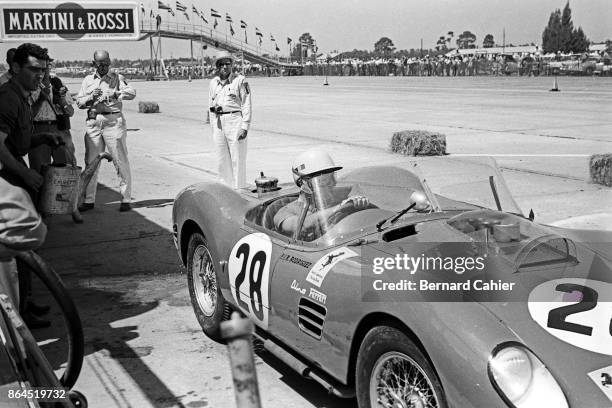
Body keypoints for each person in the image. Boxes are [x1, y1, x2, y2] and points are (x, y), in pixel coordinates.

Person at [0, 43, 62, 329]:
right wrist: (25, 177)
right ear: (15, 68)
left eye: (43, 69)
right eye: (33, 69)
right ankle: (17, 314)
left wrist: (44, 138)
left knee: (24, 250)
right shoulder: (8, 99)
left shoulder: (23, 97)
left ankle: (25, 303)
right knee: (16, 249)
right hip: (7, 179)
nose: (40, 74)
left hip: (15, 173)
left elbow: (18, 142)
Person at [76, 50, 136, 212]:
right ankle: (88, 200)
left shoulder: (117, 78)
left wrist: (115, 93)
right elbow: (79, 102)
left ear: (109, 63)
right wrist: (90, 97)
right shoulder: (88, 80)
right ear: (94, 63)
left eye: (105, 64)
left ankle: (125, 198)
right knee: (91, 162)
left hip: (113, 121)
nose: (102, 67)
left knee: (119, 160)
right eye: (99, 64)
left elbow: (131, 93)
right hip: (94, 122)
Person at [274, 149, 370, 239]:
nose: (332, 183)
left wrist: (359, 203)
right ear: (304, 183)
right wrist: (338, 208)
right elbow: (301, 226)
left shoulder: (339, 200)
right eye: (324, 180)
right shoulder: (285, 212)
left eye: (332, 177)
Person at [208, 50, 252, 189]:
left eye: (227, 63)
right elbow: (210, 105)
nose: (224, 67)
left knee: (237, 160)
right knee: (222, 161)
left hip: (234, 120)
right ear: (217, 67)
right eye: (221, 64)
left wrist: (244, 127)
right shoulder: (213, 83)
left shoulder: (240, 81)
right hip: (218, 122)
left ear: (232, 65)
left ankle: (240, 191)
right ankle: (226, 191)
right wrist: (213, 127)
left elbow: (246, 104)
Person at [28, 57, 76, 173]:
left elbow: (70, 112)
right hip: (38, 129)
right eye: (41, 67)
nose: (45, 70)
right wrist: (40, 100)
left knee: (67, 169)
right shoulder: (30, 85)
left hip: (59, 129)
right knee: (39, 169)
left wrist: (61, 101)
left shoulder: (57, 83)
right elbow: (27, 116)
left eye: (48, 66)